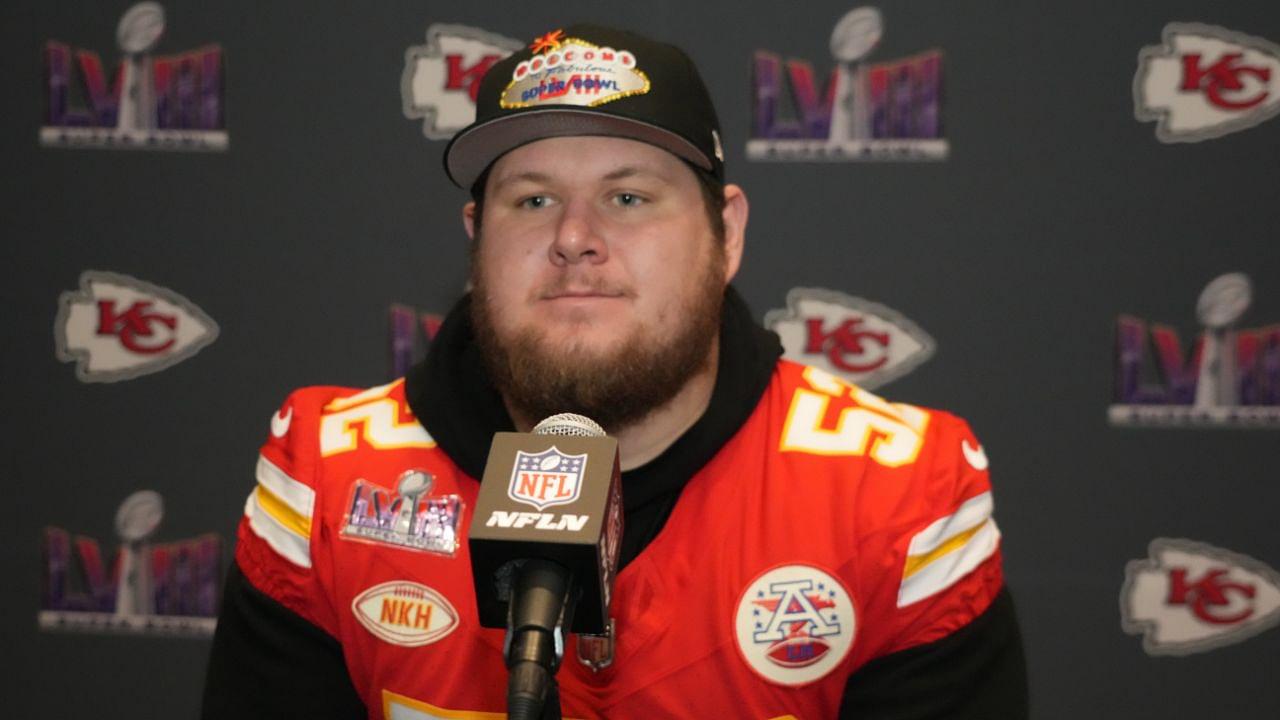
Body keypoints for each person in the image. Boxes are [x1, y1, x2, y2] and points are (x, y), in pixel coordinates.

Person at [202, 23, 1027, 719]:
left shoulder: (896, 497)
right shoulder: (328, 478)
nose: (574, 236)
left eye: (629, 197)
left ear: (726, 234)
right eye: (530, 200)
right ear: (474, 238)